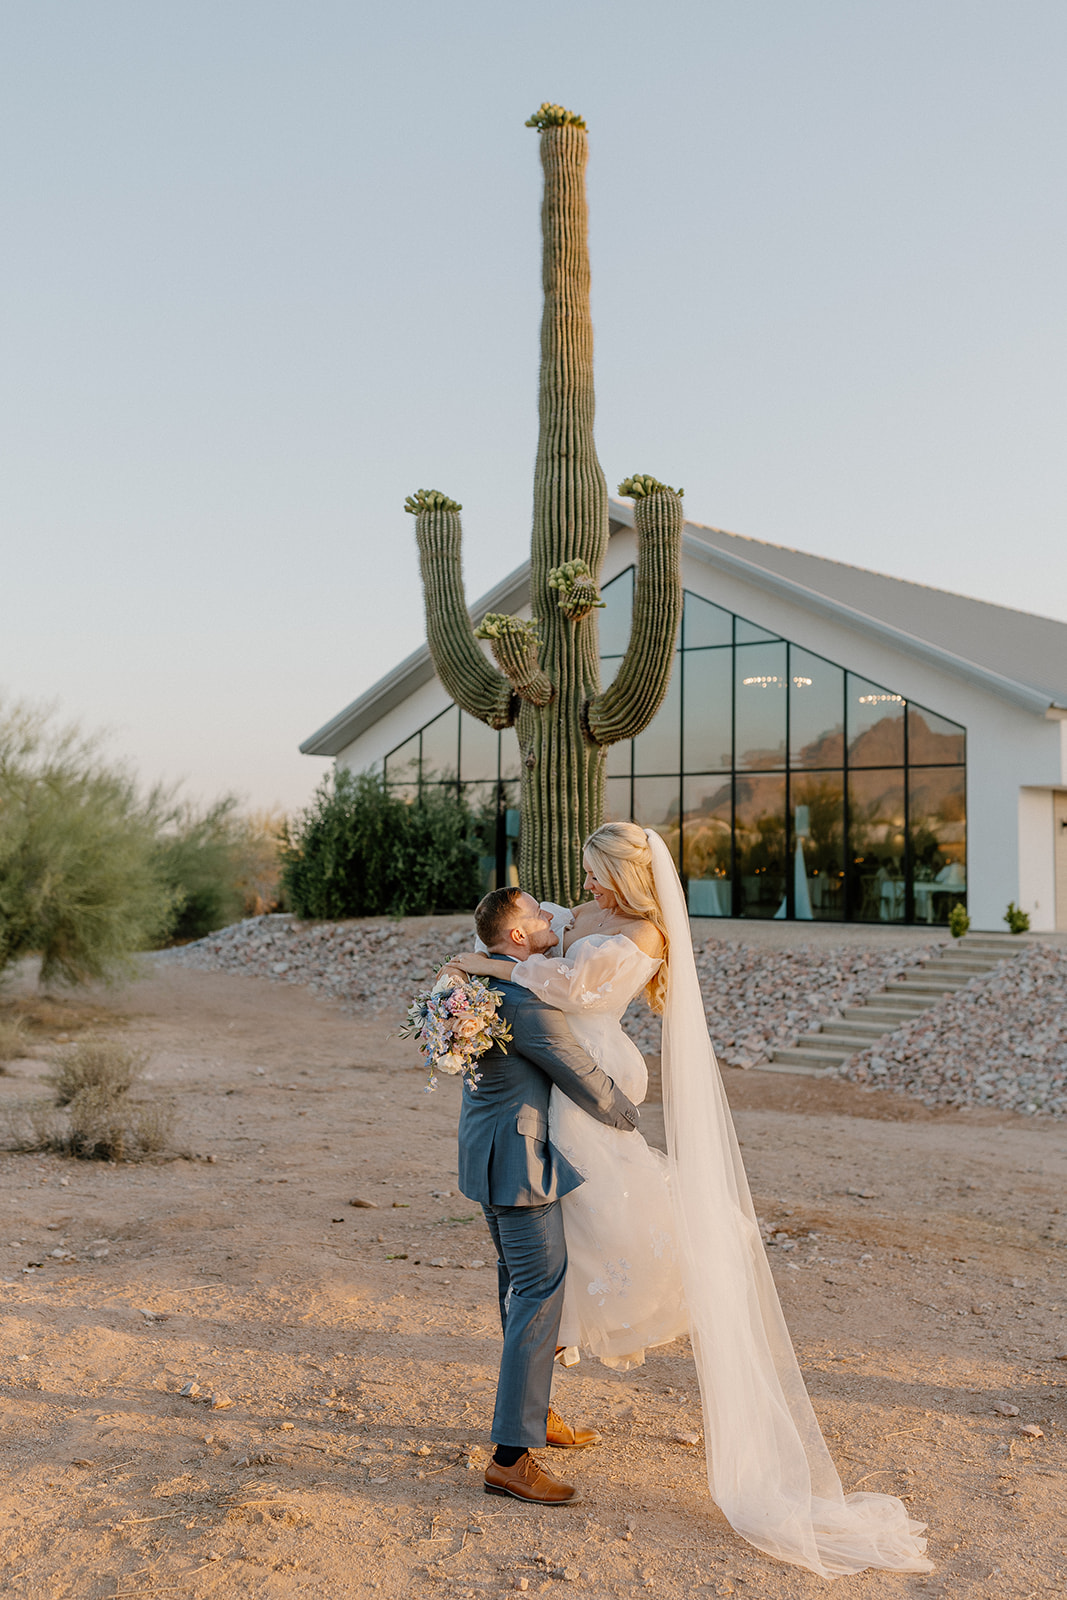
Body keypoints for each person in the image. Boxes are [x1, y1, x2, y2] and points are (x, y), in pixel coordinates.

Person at [447, 823, 933, 1579]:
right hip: (547, 1110)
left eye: (590, 873)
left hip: (577, 1091)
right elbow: (523, 945)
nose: (578, 890)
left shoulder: (635, 933)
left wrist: (477, 964)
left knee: (573, 1255)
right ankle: (517, 1437)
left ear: (621, 873)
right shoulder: (576, 921)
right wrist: (486, 965)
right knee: (540, 1272)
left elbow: (556, 986)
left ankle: (528, 1411)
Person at [455, 885, 642, 1506]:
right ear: (514, 938)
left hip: (485, 1152)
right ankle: (511, 1457)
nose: (548, 918)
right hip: (520, 1164)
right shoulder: (525, 1002)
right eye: (536, 914)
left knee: (519, 1288)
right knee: (539, 1292)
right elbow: (586, 1082)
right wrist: (630, 1120)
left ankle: (536, 1412)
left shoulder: (471, 983)